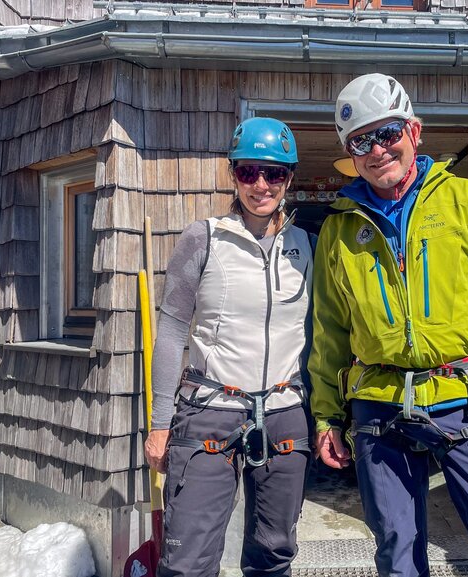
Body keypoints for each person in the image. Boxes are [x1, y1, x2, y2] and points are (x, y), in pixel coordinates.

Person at [308, 73, 468, 577]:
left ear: (414, 132)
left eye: (388, 132)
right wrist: (329, 418)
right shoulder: (339, 227)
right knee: (397, 553)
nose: (377, 150)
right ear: (350, 153)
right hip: (378, 407)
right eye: (361, 141)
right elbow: (330, 331)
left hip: (464, 400)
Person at [144, 117, 313, 577]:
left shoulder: (305, 245)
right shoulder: (204, 237)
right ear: (232, 174)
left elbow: (318, 336)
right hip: (209, 411)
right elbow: (173, 330)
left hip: (283, 410)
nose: (261, 184)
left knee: (274, 552)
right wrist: (160, 423)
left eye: (274, 173)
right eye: (248, 172)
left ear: (289, 177)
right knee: (188, 562)